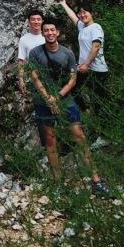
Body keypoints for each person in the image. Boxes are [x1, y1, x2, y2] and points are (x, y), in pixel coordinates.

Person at [28, 16, 110, 196]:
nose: (49, 33)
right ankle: (58, 184)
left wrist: (56, 97)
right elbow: (35, 77)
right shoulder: (35, 53)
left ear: (58, 32)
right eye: (46, 30)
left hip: (65, 99)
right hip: (42, 101)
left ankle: (96, 180)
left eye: (52, 30)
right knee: (50, 142)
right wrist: (48, 98)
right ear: (42, 33)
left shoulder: (67, 53)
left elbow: (73, 80)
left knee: (79, 137)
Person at [59, 0, 110, 112]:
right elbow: (73, 17)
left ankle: (102, 125)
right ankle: (85, 110)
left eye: (85, 12)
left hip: (97, 70)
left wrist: (86, 64)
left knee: (100, 102)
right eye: (80, 13)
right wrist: (63, 4)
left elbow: (96, 46)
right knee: (72, 86)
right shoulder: (82, 27)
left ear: (91, 13)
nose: (82, 15)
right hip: (84, 68)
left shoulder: (96, 27)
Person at [17, 7, 46, 102]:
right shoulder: (24, 39)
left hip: (49, 75)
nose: (36, 22)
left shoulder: (49, 36)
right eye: (33, 19)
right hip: (33, 78)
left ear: (42, 21)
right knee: (40, 105)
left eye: (38, 19)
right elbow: (21, 60)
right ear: (29, 22)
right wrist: (21, 79)